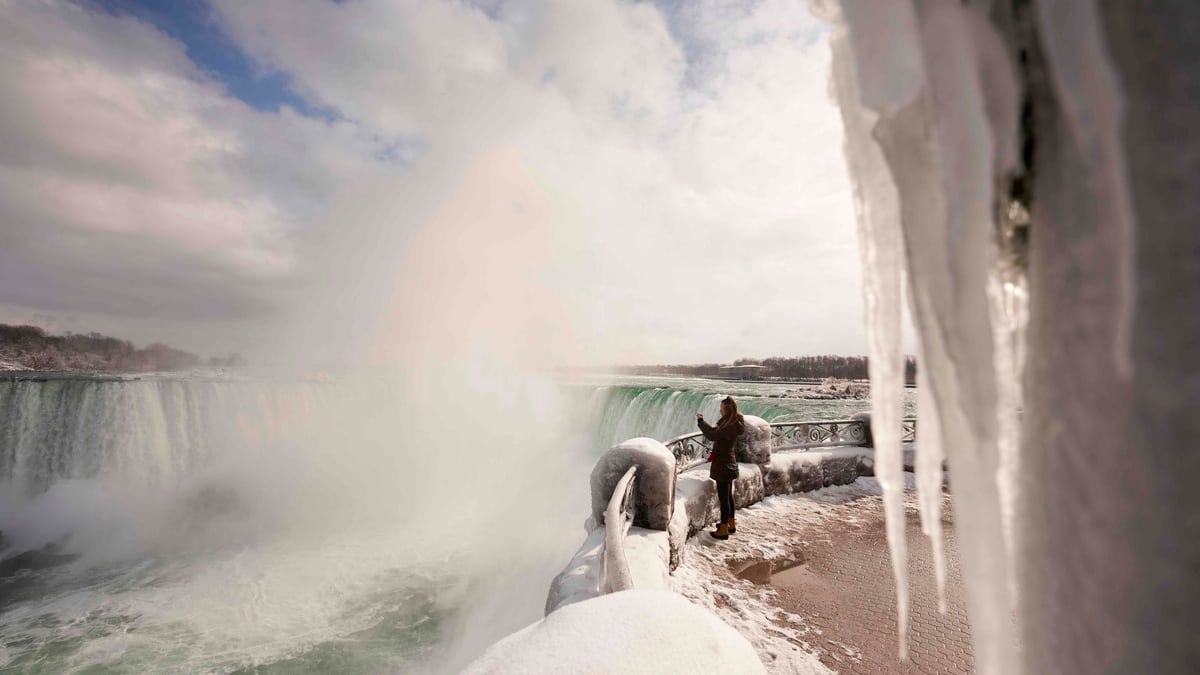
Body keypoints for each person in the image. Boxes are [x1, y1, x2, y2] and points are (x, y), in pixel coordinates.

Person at [696, 396, 745, 541]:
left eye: (721, 407)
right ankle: (730, 524)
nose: (719, 409)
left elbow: (712, 435)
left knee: (724, 498)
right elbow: (714, 432)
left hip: (723, 465)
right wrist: (704, 422)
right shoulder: (733, 423)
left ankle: (723, 530)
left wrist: (700, 422)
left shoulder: (729, 426)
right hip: (729, 462)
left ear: (726, 409)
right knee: (728, 496)